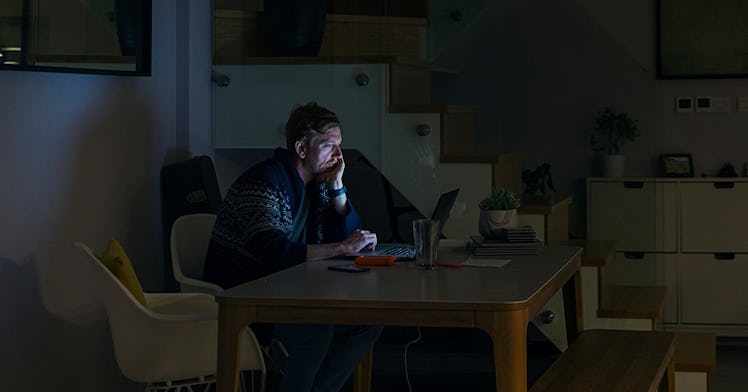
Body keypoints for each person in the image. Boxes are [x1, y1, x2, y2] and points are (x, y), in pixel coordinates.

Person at [204, 102, 383, 392]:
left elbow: (348, 236)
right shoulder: (264, 181)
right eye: (328, 146)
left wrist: (337, 186)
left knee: (368, 323)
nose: (338, 155)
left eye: (339, 146)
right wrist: (341, 248)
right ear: (301, 149)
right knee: (315, 332)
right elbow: (273, 253)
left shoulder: (319, 182)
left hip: (294, 291)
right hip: (248, 294)